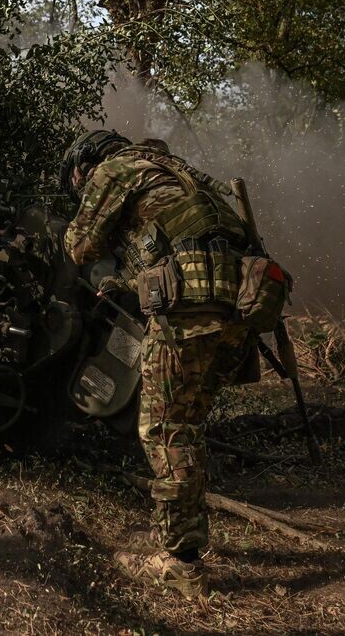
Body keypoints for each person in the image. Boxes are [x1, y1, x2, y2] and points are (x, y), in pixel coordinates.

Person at [61, 130, 253, 599]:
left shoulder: (114, 170)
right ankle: (188, 538)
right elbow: (176, 243)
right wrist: (129, 284)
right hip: (238, 309)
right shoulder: (184, 174)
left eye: (76, 179)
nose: (80, 184)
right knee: (185, 426)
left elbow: (79, 247)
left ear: (87, 164)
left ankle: (181, 564)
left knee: (164, 430)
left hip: (188, 309)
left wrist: (77, 219)